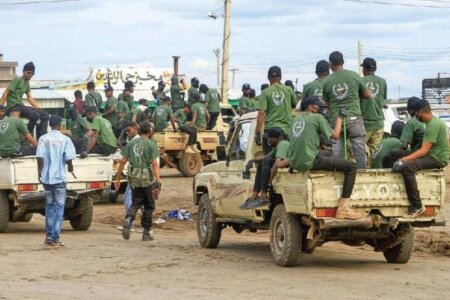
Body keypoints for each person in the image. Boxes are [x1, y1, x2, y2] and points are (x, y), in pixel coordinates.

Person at [289, 96, 362, 219]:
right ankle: (343, 207)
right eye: (320, 107)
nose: (322, 110)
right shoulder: (317, 117)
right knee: (350, 166)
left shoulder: (296, 119)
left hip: (295, 162)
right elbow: (335, 136)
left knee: (328, 154)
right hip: (310, 161)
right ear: (311, 107)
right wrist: (340, 117)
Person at [393, 100, 450, 218]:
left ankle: (417, 205)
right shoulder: (434, 122)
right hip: (432, 154)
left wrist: (403, 160)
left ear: (421, 112)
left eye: (416, 114)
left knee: (407, 167)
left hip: (436, 158)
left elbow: (424, 151)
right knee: (395, 155)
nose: (415, 117)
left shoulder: (433, 125)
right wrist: (402, 157)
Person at [322, 51, 371, 169]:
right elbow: (368, 94)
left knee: (337, 152)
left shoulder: (327, 81)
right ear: (343, 62)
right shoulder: (354, 75)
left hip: (336, 121)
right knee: (359, 150)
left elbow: (327, 103)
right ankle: (361, 176)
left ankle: (339, 177)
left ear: (330, 64)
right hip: (354, 117)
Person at [115, 120, 161, 241]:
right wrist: (158, 181)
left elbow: (123, 161)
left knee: (135, 202)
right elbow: (155, 163)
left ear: (139, 130)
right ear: (150, 131)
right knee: (149, 205)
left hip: (134, 178)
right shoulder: (151, 144)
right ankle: (146, 232)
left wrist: (118, 178)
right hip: (147, 179)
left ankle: (129, 218)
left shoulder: (131, 143)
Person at [36, 115, 76, 246]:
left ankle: (49, 236)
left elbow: (39, 157)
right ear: (60, 125)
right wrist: (70, 168)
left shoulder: (43, 139)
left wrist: (40, 173)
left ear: (49, 125)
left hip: (47, 180)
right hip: (60, 179)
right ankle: (55, 238)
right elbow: (69, 158)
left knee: (49, 207)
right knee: (59, 208)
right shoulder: (65, 139)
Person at [240, 127, 289, 209]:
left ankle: (263, 194)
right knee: (262, 162)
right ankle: (255, 195)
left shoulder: (283, 144)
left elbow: (277, 164)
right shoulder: (279, 145)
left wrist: (269, 182)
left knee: (266, 161)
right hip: (281, 164)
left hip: (285, 165)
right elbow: (266, 156)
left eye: (270, 138)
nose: (268, 141)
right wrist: (252, 160)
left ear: (275, 138)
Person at [0, 62, 49, 139]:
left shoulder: (27, 83)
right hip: (13, 106)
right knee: (35, 115)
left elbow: (29, 97)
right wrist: (1, 108)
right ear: (24, 72)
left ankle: (42, 138)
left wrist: (38, 108)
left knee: (45, 115)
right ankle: (27, 135)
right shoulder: (17, 79)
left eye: (31, 73)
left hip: (20, 105)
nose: (30, 75)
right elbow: (5, 93)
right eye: (28, 72)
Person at [256, 66, 298, 154]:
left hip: (270, 132)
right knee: (285, 159)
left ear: (268, 77)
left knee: (268, 160)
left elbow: (262, 113)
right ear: (281, 77)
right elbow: (294, 104)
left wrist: (258, 132)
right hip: (285, 131)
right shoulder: (289, 89)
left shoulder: (265, 92)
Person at [384, 97, 425, 167]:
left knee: (391, 155)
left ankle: (391, 176)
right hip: (431, 153)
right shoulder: (428, 120)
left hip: (418, 153)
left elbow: (404, 146)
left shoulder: (411, 122)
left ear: (409, 110)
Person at [360, 57, 387, 161]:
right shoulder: (382, 81)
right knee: (376, 153)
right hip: (378, 122)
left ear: (365, 70)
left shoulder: (360, 81)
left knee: (359, 151)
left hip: (364, 123)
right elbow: (381, 99)